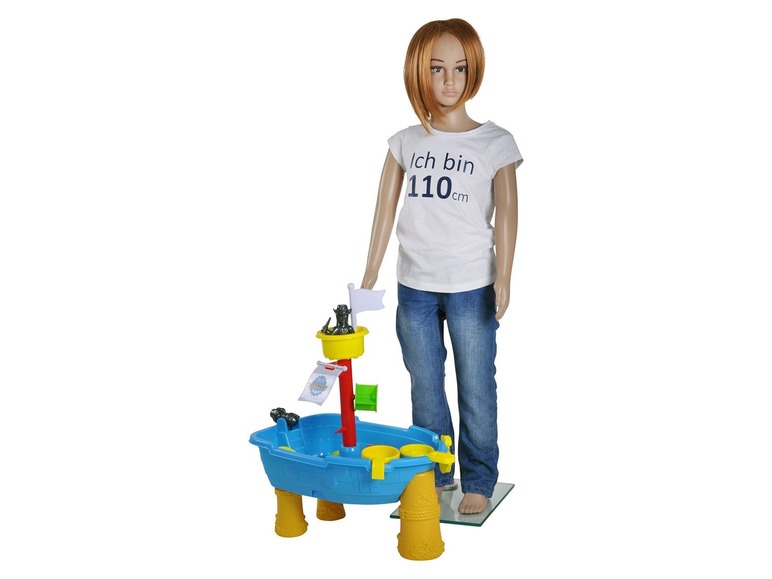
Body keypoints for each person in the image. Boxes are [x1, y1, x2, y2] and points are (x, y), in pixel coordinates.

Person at [360, 18, 523, 514]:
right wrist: (369, 272)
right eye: (437, 69)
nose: (449, 80)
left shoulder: (495, 143)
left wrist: (505, 276)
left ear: (473, 71)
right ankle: (434, 471)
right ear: (418, 73)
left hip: (472, 283)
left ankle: (479, 477)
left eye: (460, 68)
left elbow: (509, 213)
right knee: (425, 386)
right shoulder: (405, 142)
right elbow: (384, 211)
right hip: (414, 285)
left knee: (477, 385)